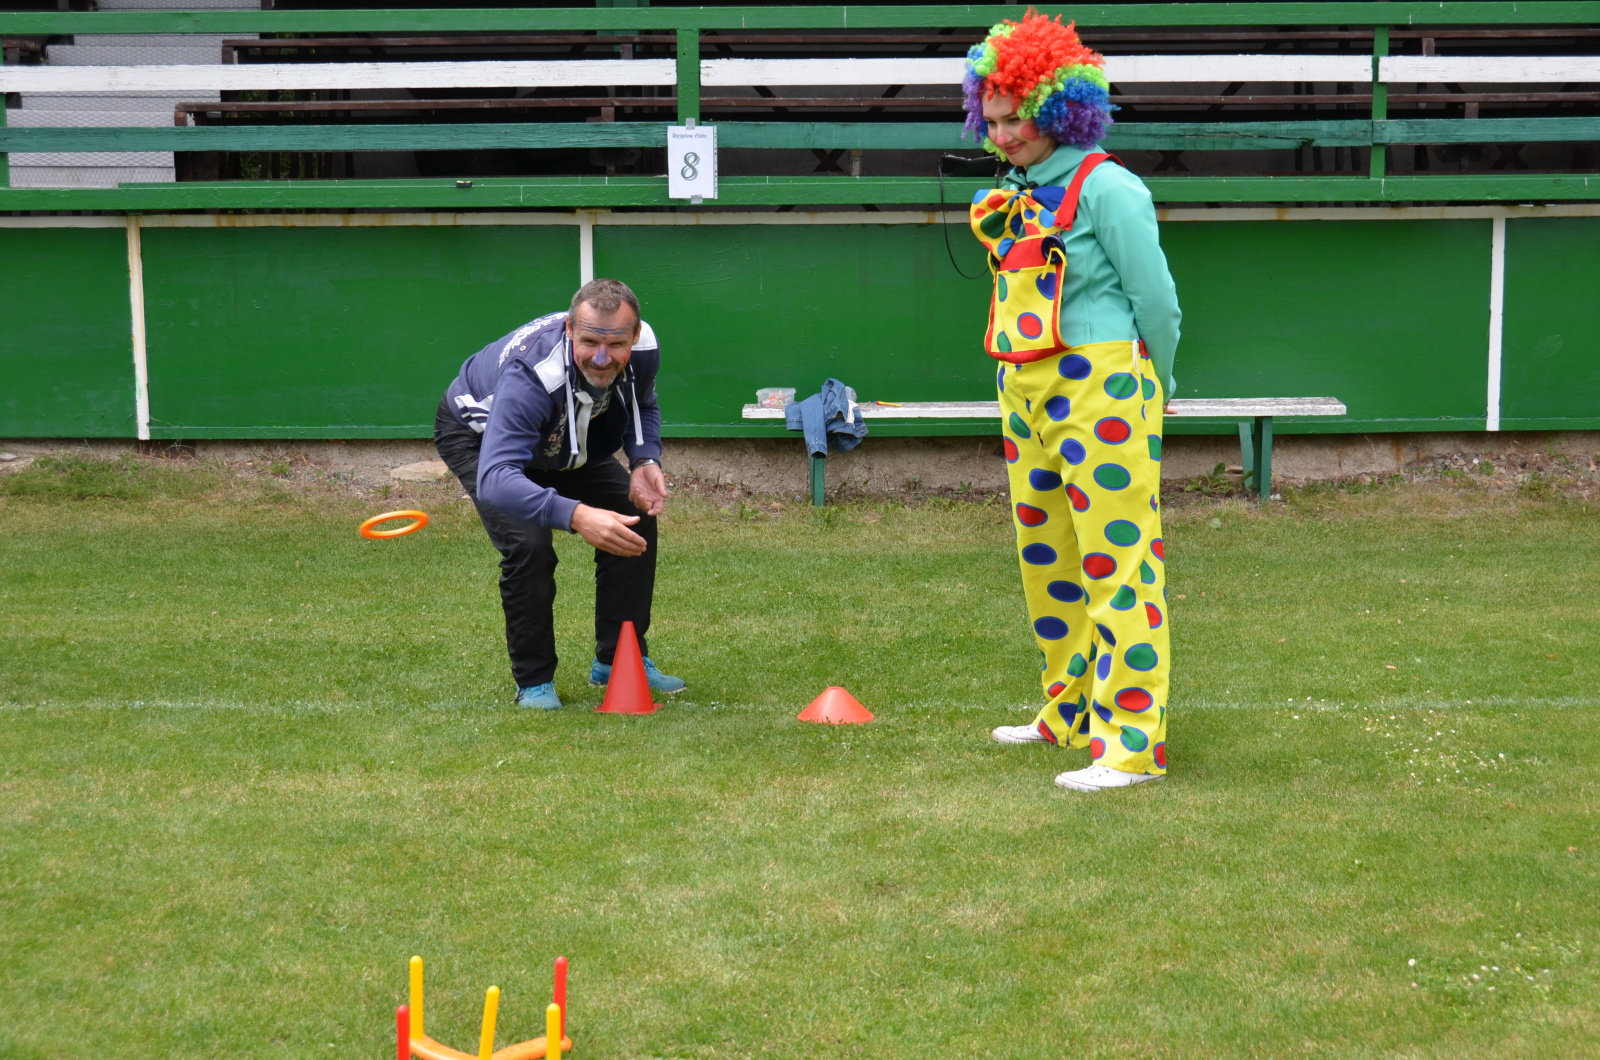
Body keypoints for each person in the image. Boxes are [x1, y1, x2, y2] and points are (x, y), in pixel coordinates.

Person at [963, 12, 1181, 791]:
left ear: (1060, 109)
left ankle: (1132, 747)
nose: (1002, 135)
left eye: (1015, 119)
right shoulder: (1018, 188)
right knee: (1047, 557)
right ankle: (1070, 711)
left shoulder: (1110, 187)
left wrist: (1159, 383)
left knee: (1118, 565)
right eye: (991, 121)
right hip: (1025, 383)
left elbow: (1158, 302)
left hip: (1103, 384)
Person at [433, 278, 685, 709]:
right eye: (589, 342)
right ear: (570, 330)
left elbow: (642, 402)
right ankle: (534, 681)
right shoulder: (532, 375)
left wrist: (645, 458)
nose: (602, 358)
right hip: (484, 441)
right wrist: (577, 514)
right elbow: (497, 476)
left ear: (634, 336)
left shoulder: (644, 348)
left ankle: (618, 658)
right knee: (529, 543)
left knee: (633, 514)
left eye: (616, 344)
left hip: (564, 435)